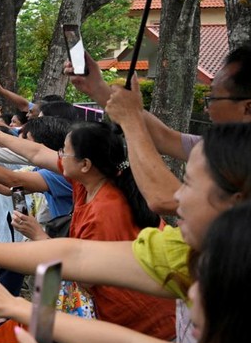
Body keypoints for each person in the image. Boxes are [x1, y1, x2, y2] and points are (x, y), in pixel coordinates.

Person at [0, 122, 251, 343]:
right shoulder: (85, 183)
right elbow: (36, 153)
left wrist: (2, 258)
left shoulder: (107, 211)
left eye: (65, 152)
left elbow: (76, 262)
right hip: (119, 329)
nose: (58, 157)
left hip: (139, 330)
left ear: (86, 164)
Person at [0, 201, 251, 343]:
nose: (187, 293)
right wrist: (14, 305)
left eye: (208, 280)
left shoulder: (106, 210)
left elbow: (82, 266)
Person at [71, 44, 251, 215]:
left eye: (212, 99)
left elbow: (165, 199)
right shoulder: (223, 147)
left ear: (247, 108)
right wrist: (97, 88)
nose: (206, 108)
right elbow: (164, 138)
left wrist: (130, 120)